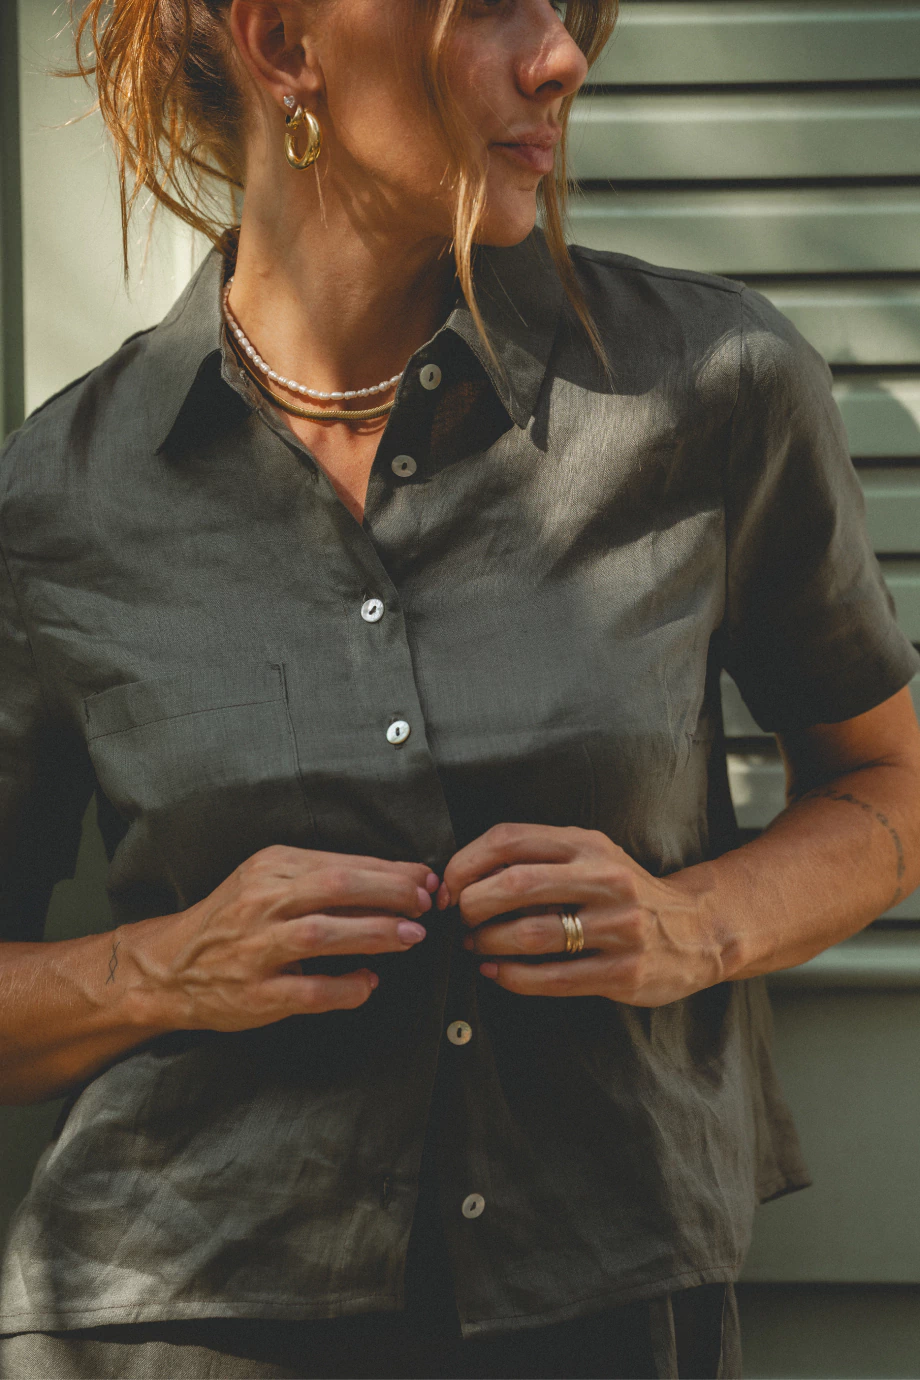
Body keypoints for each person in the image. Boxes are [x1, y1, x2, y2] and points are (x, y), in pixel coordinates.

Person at [1, 0, 919, 1376]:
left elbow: (888, 783)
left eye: (565, 9)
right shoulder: (60, 495)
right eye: (491, 5)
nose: (562, 58)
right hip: (175, 1326)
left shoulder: (709, 387)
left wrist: (696, 926)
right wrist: (161, 970)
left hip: (606, 1311)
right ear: (285, 45)